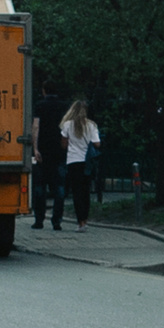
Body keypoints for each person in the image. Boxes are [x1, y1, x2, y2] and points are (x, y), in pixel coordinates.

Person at [60, 97, 100, 230]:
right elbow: (97, 143)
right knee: (86, 192)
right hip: (86, 162)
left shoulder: (67, 125)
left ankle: (80, 222)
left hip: (73, 160)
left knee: (76, 193)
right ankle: (86, 220)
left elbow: (64, 145)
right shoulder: (91, 125)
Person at [31, 100, 64, 229]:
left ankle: (39, 220)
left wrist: (35, 148)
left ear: (44, 91)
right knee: (59, 189)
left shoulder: (39, 106)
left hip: (42, 154)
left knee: (40, 188)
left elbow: (36, 126)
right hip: (58, 153)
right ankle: (57, 221)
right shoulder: (62, 106)